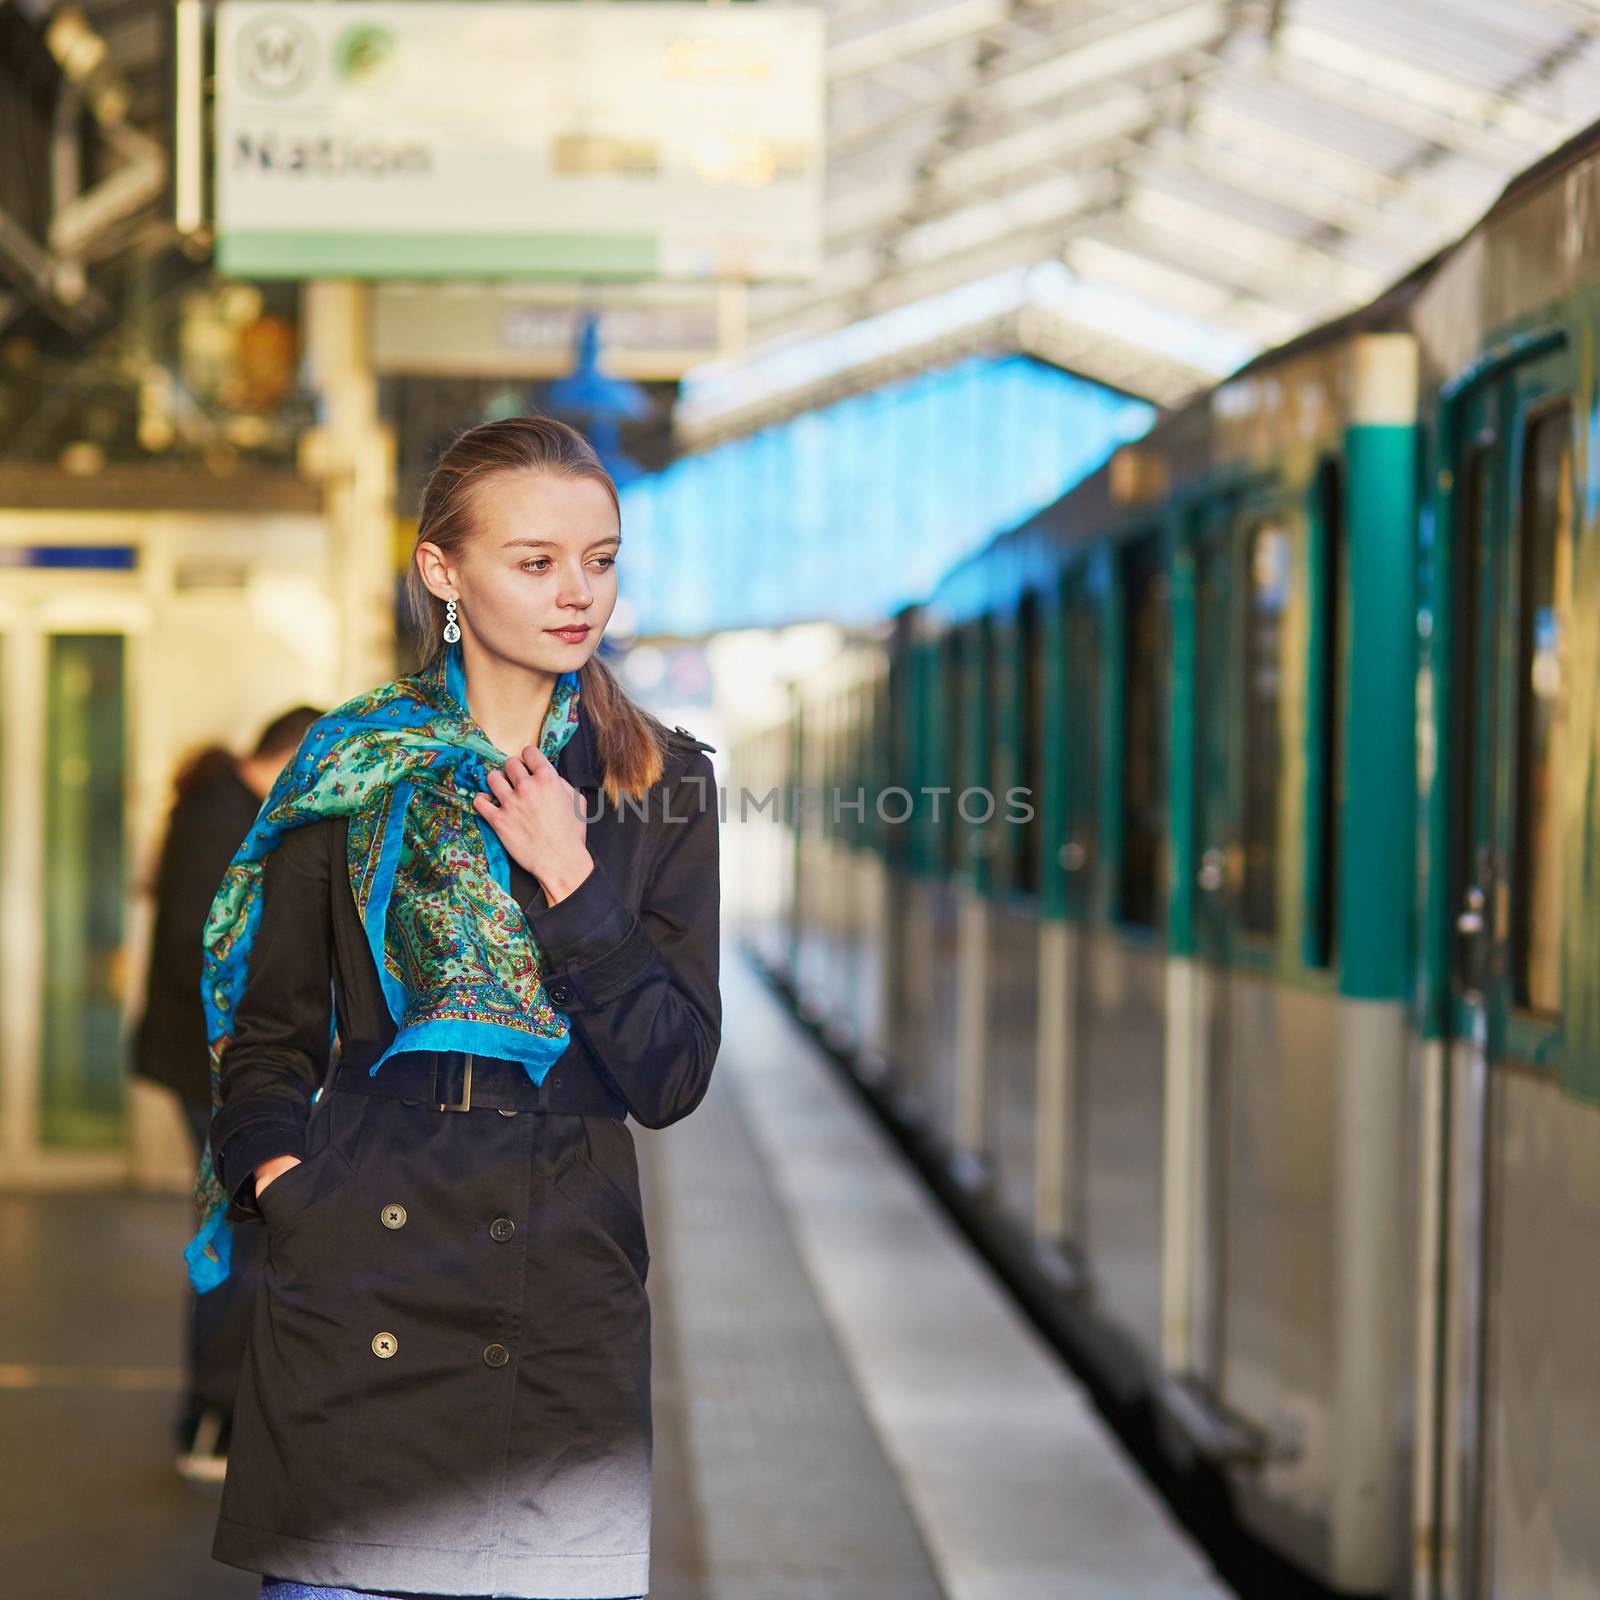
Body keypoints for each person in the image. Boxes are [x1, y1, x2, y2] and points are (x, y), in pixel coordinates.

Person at [182, 414, 722, 1600]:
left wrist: (572, 881)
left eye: (601, 558)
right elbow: (267, 1033)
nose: (579, 592)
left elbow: (672, 1074)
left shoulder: (662, 780)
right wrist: (289, 1188)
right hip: (359, 1278)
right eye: (535, 561)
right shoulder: (349, 766)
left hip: (561, 1292)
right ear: (445, 572)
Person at [132, 703, 324, 1484]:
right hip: (212, 1065)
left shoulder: (224, 805)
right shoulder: (225, 815)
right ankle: (211, 1420)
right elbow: (198, 941)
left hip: (215, 1062)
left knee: (237, 1226)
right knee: (234, 1226)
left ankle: (219, 1414)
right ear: (291, 759)